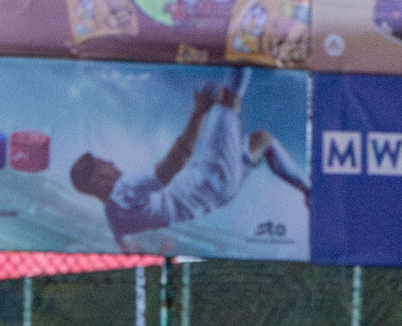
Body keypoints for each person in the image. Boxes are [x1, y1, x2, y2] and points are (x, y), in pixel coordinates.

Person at [69, 68, 309, 250]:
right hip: (212, 178)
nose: (111, 163)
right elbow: (171, 166)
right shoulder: (124, 191)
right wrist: (199, 112)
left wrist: (161, 255)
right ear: (99, 180)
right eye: (104, 164)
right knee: (227, 101)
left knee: (262, 140)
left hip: (218, 196)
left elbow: (129, 250)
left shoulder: (114, 219)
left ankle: (308, 191)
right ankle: (245, 45)